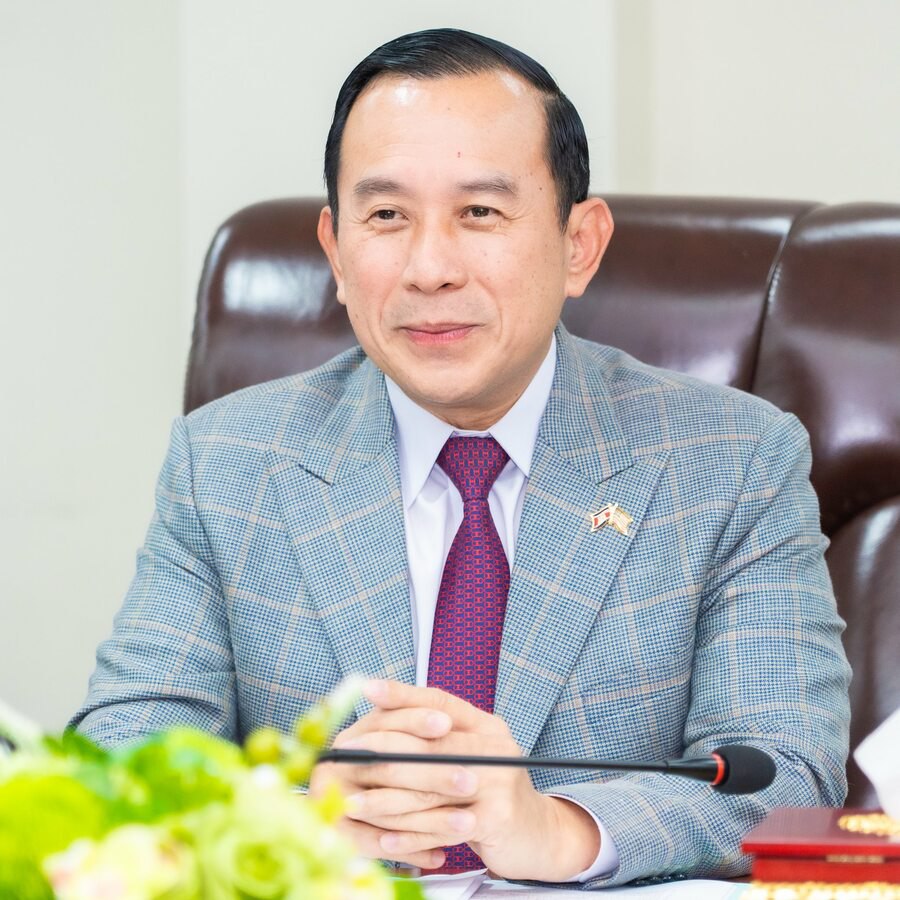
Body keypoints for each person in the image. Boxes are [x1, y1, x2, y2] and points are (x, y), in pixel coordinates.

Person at [72, 28, 851, 887]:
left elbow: (786, 777)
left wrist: (557, 829)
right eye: (386, 216)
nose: (430, 268)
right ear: (335, 252)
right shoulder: (224, 464)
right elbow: (115, 765)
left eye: (480, 212)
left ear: (580, 245)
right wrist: (295, 823)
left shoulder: (733, 461)